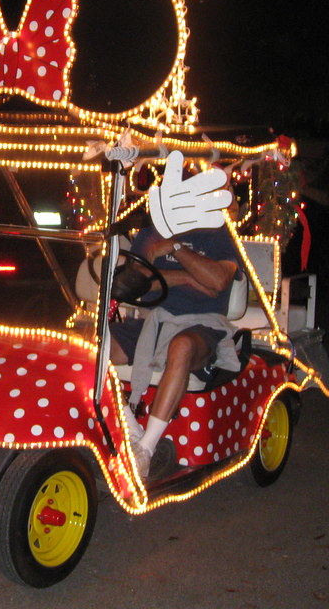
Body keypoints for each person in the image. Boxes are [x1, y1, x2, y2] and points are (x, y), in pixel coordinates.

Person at [110, 165, 242, 480]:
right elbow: (139, 280)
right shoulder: (152, 230)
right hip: (154, 320)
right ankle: (128, 426)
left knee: (181, 346)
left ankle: (146, 449)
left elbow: (219, 281)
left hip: (202, 325)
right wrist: (187, 277)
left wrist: (175, 249)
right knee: (90, 344)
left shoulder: (216, 231)